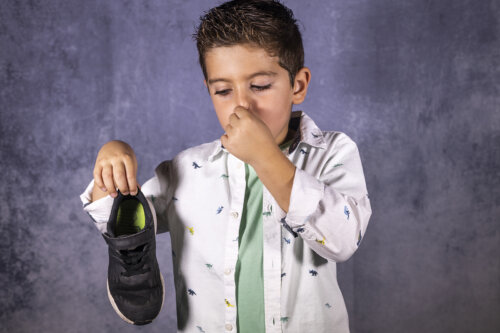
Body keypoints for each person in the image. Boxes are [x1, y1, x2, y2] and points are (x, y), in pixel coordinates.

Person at [80, 0, 372, 332]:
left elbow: (343, 239)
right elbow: (118, 221)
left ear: (298, 85)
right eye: (223, 91)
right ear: (209, 91)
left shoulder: (332, 152)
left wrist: (264, 155)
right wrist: (113, 156)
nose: (242, 105)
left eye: (260, 86)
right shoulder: (186, 169)